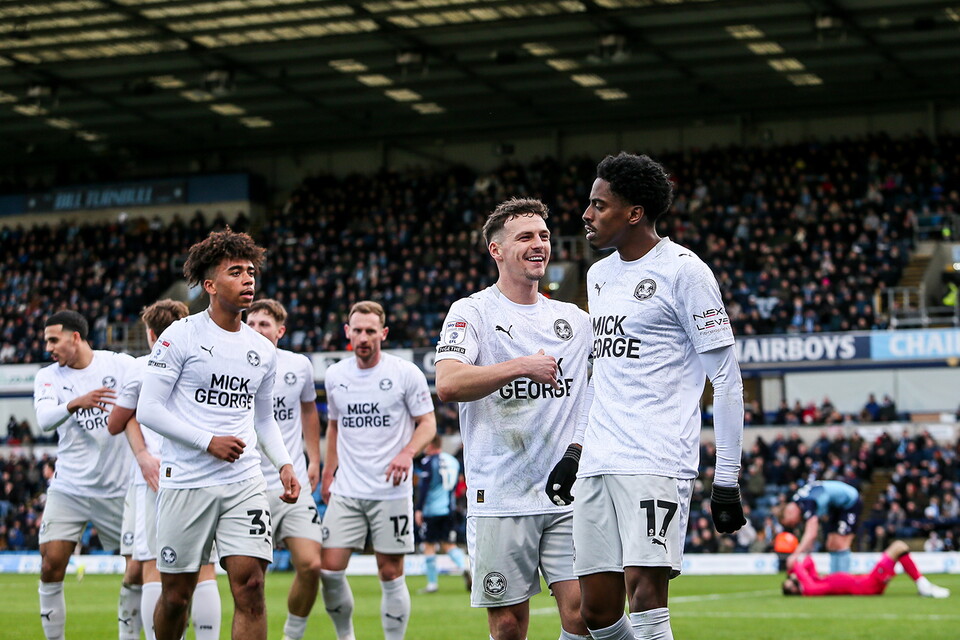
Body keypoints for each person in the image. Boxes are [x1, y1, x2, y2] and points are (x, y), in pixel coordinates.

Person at [577, 152, 746, 640]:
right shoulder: (599, 276)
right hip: (598, 463)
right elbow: (598, 374)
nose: (586, 215)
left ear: (634, 213)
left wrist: (727, 479)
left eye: (598, 204)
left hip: (655, 459)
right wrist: (578, 448)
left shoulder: (684, 272)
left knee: (647, 600)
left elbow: (727, 381)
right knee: (596, 613)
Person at [434, 197, 592, 640]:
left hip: (564, 493)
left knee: (582, 615)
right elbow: (448, 383)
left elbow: (596, 390)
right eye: (525, 236)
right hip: (501, 493)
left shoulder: (575, 321)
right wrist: (522, 366)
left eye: (543, 235)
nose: (539, 243)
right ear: (496, 250)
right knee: (507, 626)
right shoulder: (472, 312)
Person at [136, 229, 300, 640]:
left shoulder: (262, 350)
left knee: (251, 586)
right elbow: (148, 409)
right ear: (210, 285)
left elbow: (263, 419)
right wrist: (206, 441)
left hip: (243, 481)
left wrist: (284, 463)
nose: (248, 280)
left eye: (251, 272)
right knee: (176, 596)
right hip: (185, 481)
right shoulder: (180, 336)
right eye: (235, 272)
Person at [321, 300, 437, 640]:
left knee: (390, 572)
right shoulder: (335, 375)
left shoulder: (405, 373)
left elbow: (428, 423)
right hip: (347, 489)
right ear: (347, 332)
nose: (363, 337)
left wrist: (407, 452)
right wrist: (329, 472)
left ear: (383, 333)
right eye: (357, 330)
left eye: (371, 331)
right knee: (329, 569)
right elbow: (333, 427)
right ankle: (346, 637)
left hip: (390, 490)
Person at [107, 299, 221, 640]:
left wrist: (140, 450)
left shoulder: (141, 368)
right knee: (203, 569)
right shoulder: (207, 360)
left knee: (152, 569)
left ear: (151, 332)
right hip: (201, 472)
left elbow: (115, 422)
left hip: (154, 475)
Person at [33, 310, 138, 640]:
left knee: (137, 570)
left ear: (75, 337)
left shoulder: (119, 366)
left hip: (119, 488)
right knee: (50, 563)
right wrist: (76, 403)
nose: (48, 347)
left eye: (54, 339)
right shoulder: (48, 376)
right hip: (70, 487)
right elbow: (45, 419)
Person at [246, 299, 324, 640]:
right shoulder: (234, 364)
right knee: (252, 577)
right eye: (251, 323)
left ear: (280, 331)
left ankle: (292, 635)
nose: (256, 329)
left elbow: (309, 411)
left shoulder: (298, 365)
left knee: (311, 564)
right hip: (248, 483)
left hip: (291, 481)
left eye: (264, 324)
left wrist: (315, 459)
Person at [783, 540, 950, 598]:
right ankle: (923, 586)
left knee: (899, 548)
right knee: (898, 546)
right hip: (867, 585)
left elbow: (809, 561)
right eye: (790, 584)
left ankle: (923, 585)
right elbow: (802, 568)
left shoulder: (813, 580)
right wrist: (795, 568)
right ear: (794, 589)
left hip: (866, 581)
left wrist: (793, 571)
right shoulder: (810, 590)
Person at [414, 434, 469, 594]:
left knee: (429, 545)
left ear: (430, 445)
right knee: (448, 544)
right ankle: (465, 566)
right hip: (448, 508)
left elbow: (424, 489)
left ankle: (432, 584)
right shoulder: (452, 461)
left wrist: (419, 509)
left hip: (432, 510)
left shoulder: (429, 462)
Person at [779, 480, 861, 574]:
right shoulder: (799, 499)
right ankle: (834, 579)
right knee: (831, 544)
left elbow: (811, 533)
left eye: (791, 523)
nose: (794, 524)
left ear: (789, 512)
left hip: (850, 502)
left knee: (841, 543)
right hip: (835, 507)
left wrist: (795, 555)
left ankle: (843, 580)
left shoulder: (806, 502)